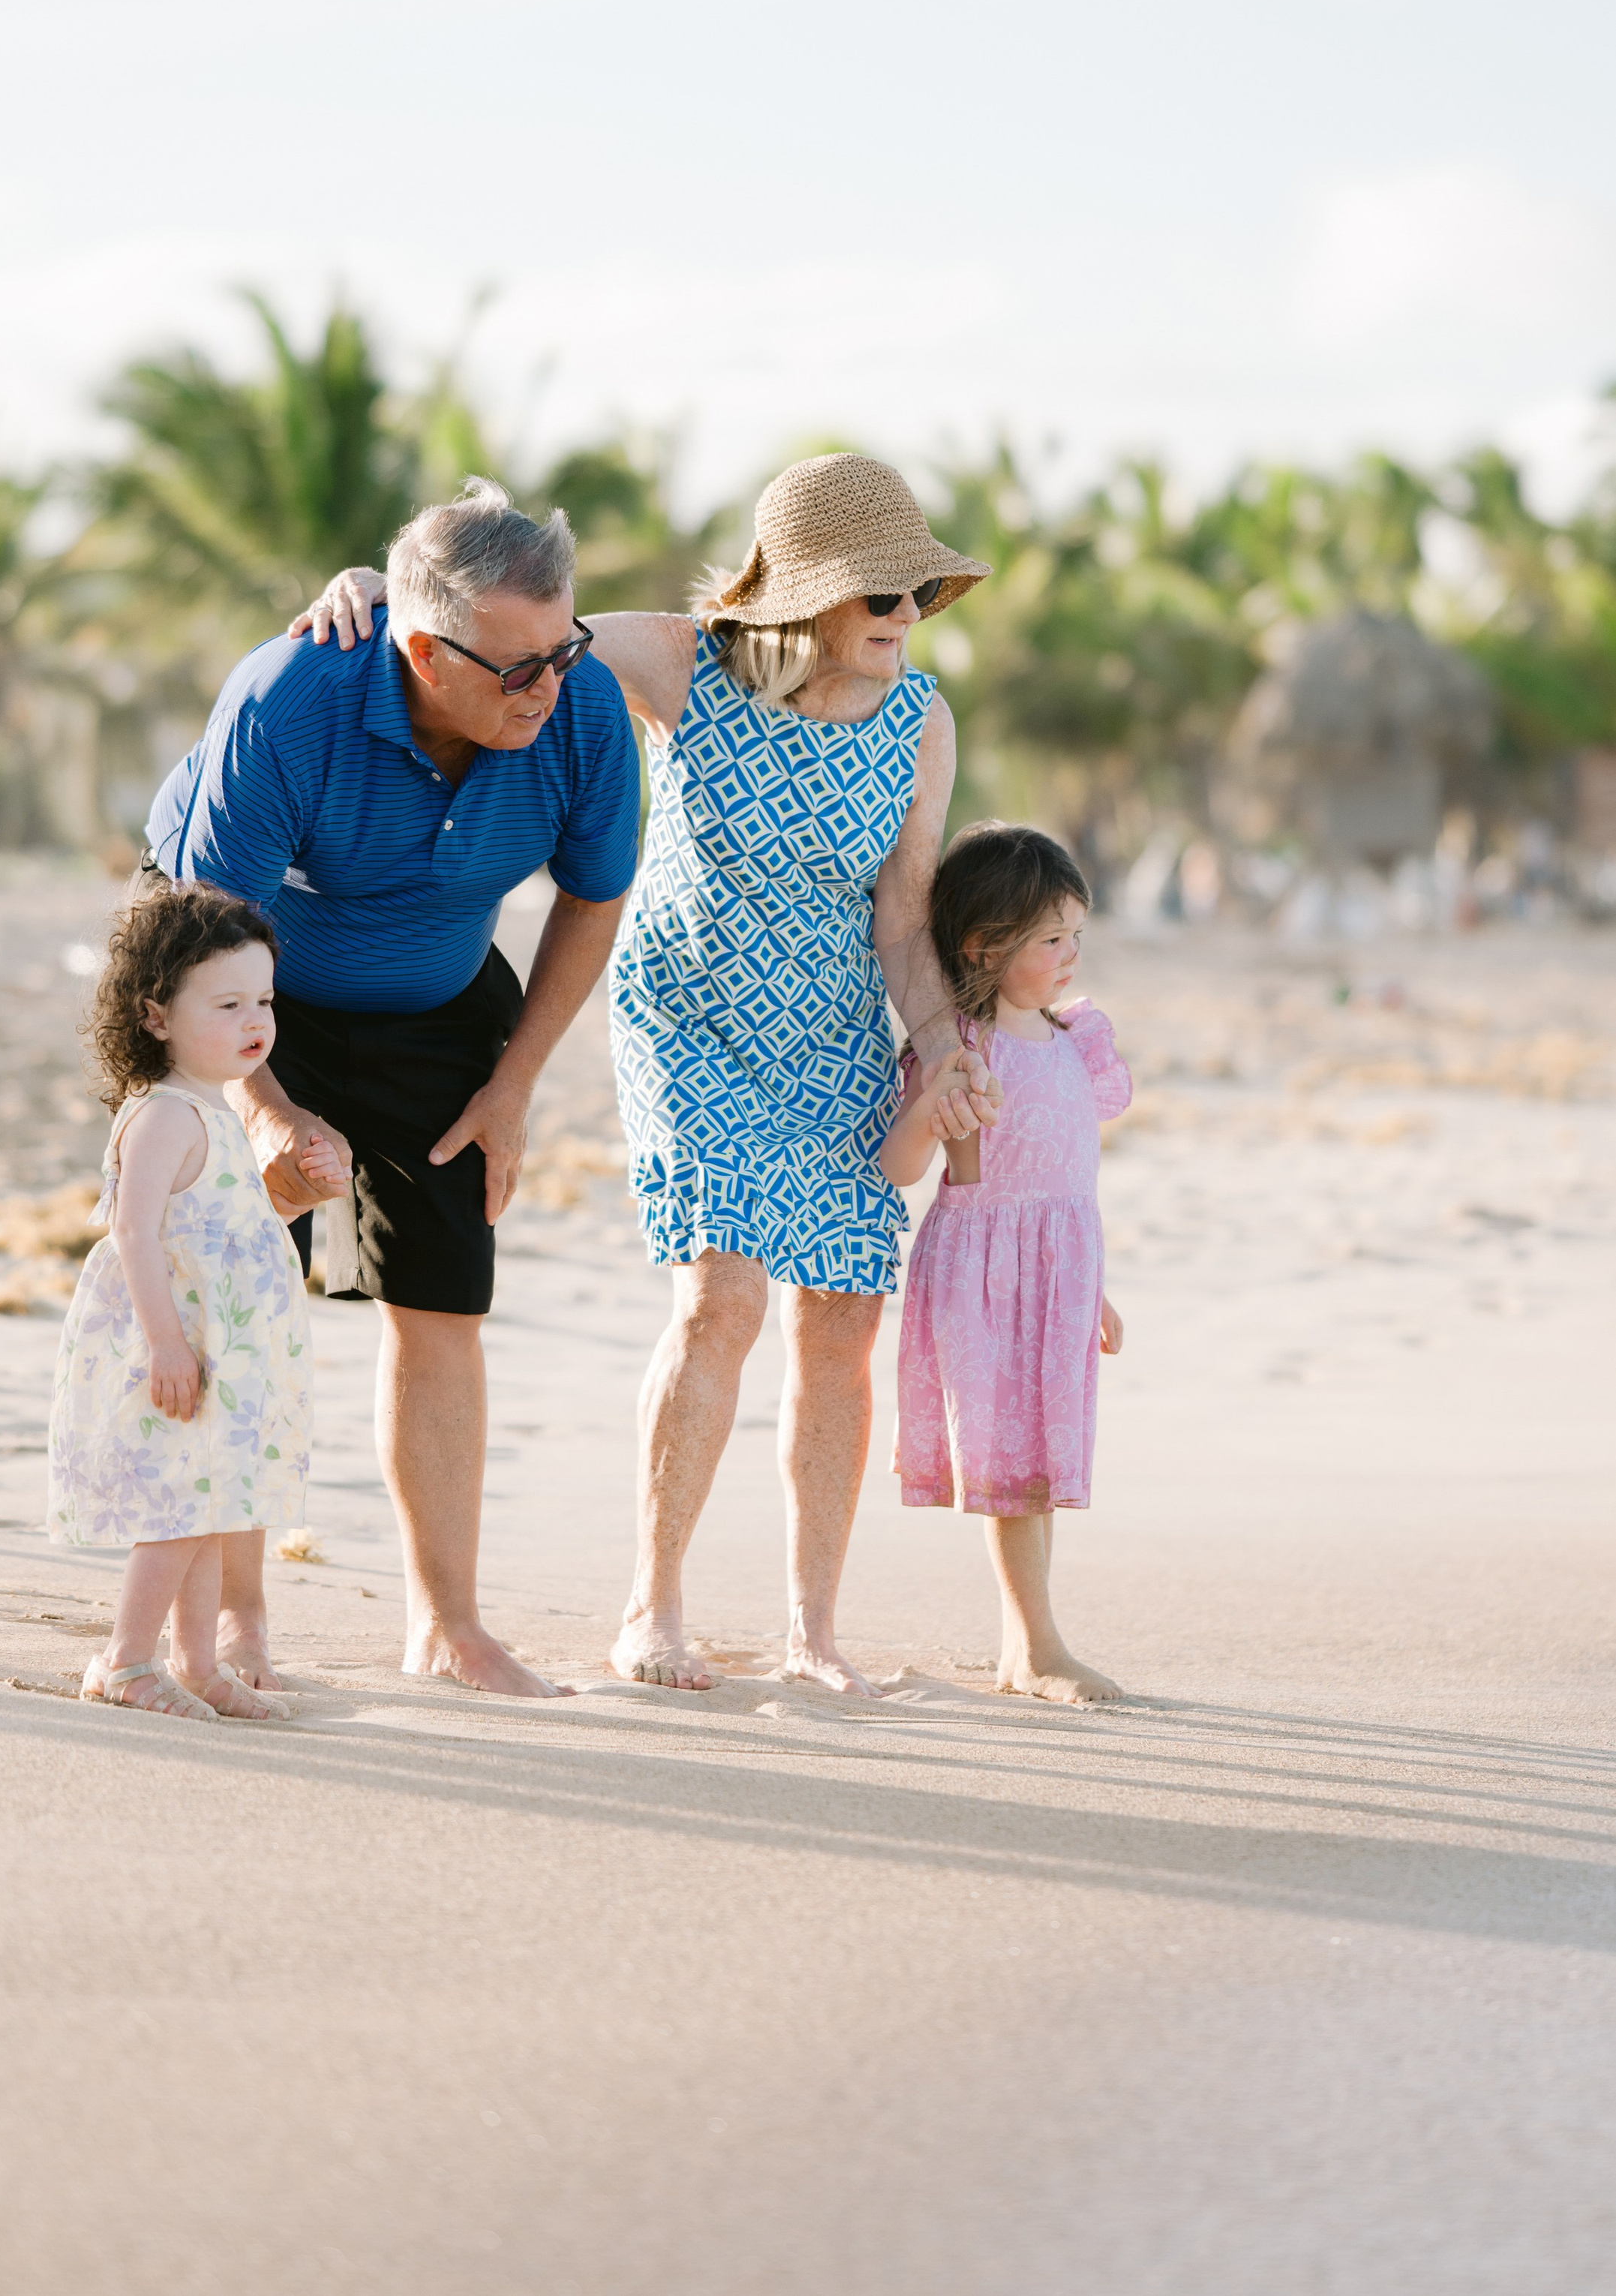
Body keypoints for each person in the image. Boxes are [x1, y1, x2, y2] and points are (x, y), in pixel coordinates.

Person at [299, 452, 1000, 1698]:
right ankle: (652, 1610)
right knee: (718, 1302)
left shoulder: (921, 722)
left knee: (839, 1325)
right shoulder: (687, 666)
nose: (906, 616)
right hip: (690, 1022)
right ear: (802, 598)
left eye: (915, 593)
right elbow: (512, 635)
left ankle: (811, 1630)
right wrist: (379, 586)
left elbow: (903, 918)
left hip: (834, 1034)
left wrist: (940, 1042)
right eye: (879, 594)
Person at [152, 479, 640, 1700]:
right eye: (517, 666)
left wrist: (515, 1084)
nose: (551, 684)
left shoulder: (576, 710)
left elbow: (593, 898)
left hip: (436, 995)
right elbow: (204, 932)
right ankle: (208, 1619)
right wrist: (266, 1112)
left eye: (564, 649)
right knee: (235, 1272)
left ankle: (447, 1627)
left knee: (440, 1298)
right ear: (423, 651)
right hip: (243, 985)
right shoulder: (290, 699)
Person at [50, 880, 323, 1721]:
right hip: (180, 1351)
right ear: (157, 1014)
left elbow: (225, 1226)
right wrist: (167, 1344)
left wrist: (301, 1196)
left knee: (213, 1505)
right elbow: (131, 1232)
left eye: (265, 1000)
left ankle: (197, 1663)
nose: (255, 1021)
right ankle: (126, 1661)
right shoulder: (165, 1113)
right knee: (175, 1509)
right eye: (229, 1001)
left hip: (224, 1352)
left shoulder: (218, 1108)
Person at [879, 822, 1132, 1705]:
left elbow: (1072, 1175)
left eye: (1074, 933)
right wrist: (929, 1112)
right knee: (1011, 1467)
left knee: (1039, 1465)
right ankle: (1034, 1644)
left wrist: (1093, 1290)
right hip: (982, 1272)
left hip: (1058, 1272)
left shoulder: (1073, 1037)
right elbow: (902, 1166)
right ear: (985, 946)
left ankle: (1030, 1641)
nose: (1070, 952)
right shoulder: (958, 1045)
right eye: (1050, 937)